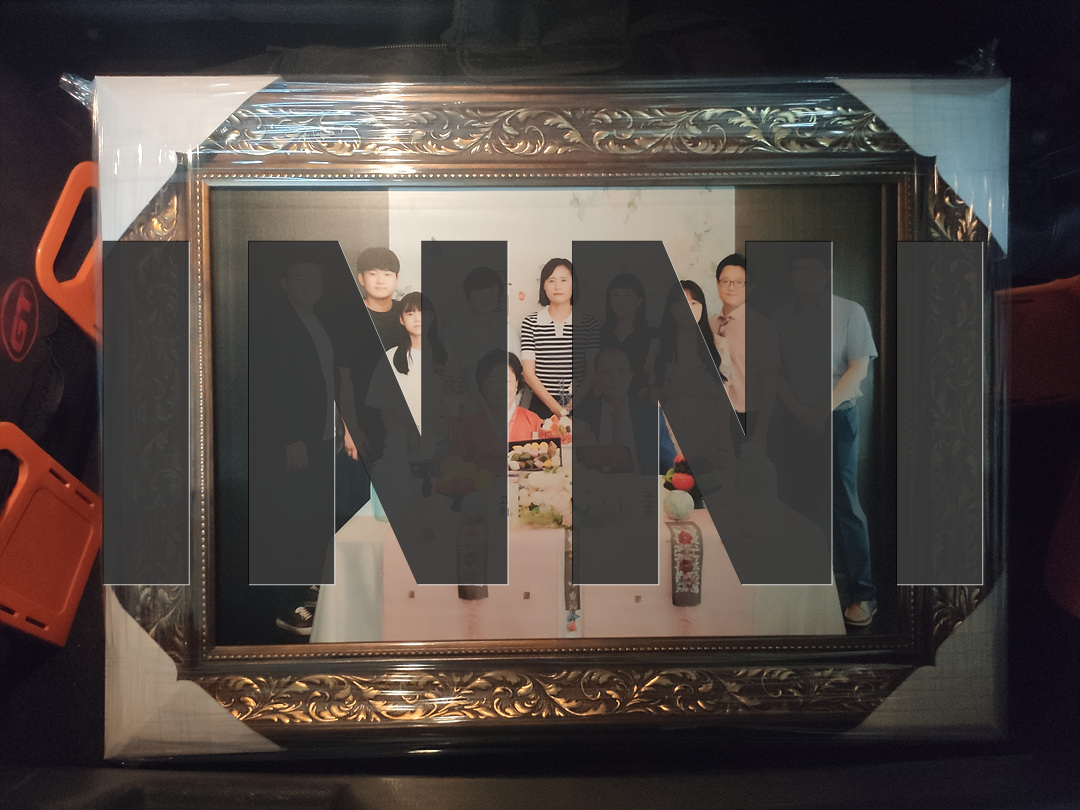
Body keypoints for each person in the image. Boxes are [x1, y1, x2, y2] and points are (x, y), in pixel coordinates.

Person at [248, 253, 365, 638]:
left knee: (315, 519)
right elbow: (269, 385)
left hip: (323, 440)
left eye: (314, 278)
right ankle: (287, 606)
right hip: (295, 443)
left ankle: (309, 592)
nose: (308, 285)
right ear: (285, 284)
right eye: (299, 279)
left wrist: (342, 429)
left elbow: (330, 384)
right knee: (290, 522)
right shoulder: (275, 325)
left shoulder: (318, 322)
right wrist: (290, 438)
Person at [771, 245, 879, 627]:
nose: (807, 275)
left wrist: (819, 411)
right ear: (791, 276)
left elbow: (858, 369)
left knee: (844, 503)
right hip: (793, 420)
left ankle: (864, 593)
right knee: (799, 502)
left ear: (827, 273)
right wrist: (799, 411)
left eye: (814, 268)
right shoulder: (780, 317)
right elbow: (775, 371)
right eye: (799, 269)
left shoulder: (850, 311)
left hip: (838, 418)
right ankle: (814, 591)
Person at [709, 253, 779, 454]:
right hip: (710, 416)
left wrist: (760, 433)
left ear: (751, 287)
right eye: (725, 281)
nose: (731, 287)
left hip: (746, 418)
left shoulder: (762, 327)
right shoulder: (708, 324)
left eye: (739, 282)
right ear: (717, 284)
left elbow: (770, 382)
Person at [519, 258, 600, 419]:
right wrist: (558, 410)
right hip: (541, 406)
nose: (557, 286)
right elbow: (528, 374)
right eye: (551, 280)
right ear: (543, 285)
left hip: (580, 404)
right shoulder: (531, 322)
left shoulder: (588, 323)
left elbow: (591, 372)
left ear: (573, 284)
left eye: (564, 280)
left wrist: (568, 408)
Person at [452, 351, 543, 476]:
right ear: (483, 386)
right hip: (479, 487)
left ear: (517, 383)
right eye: (493, 382)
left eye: (506, 381)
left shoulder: (533, 421)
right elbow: (456, 470)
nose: (500, 388)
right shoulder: (467, 426)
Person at [574, 348, 658, 476]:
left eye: (621, 371)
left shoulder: (651, 414)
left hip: (640, 484)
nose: (614, 378)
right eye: (606, 372)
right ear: (596, 377)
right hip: (595, 485)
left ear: (630, 376)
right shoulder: (583, 414)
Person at [443, 265, 508, 409]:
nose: (486, 298)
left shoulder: (506, 331)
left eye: (492, 292)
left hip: (502, 409)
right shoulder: (452, 331)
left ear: (498, 298)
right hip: (465, 409)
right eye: (479, 291)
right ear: (468, 295)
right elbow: (450, 376)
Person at [599, 273, 656, 399]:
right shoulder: (601, 335)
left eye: (627, 295)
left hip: (642, 401)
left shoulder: (652, 337)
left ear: (639, 301)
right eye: (615, 295)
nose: (621, 301)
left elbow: (652, 379)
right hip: (606, 402)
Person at [356, 246, 407, 349]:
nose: (380, 281)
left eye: (387, 274)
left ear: (396, 279)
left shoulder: (406, 312)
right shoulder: (349, 315)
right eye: (373, 274)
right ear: (361, 278)